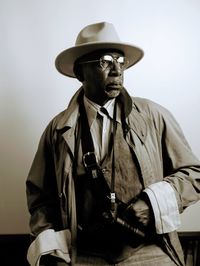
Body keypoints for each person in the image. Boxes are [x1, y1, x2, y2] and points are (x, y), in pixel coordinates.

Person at [26, 22, 200, 266]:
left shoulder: (153, 116)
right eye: (104, 61)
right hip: (83, 254)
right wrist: (53, 250)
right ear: (80, 73)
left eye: (120, 60)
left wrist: (152, 203)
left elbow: (194, 174)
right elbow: (41, 199)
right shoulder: (57, 131)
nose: (117, 70)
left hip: (149, 250)